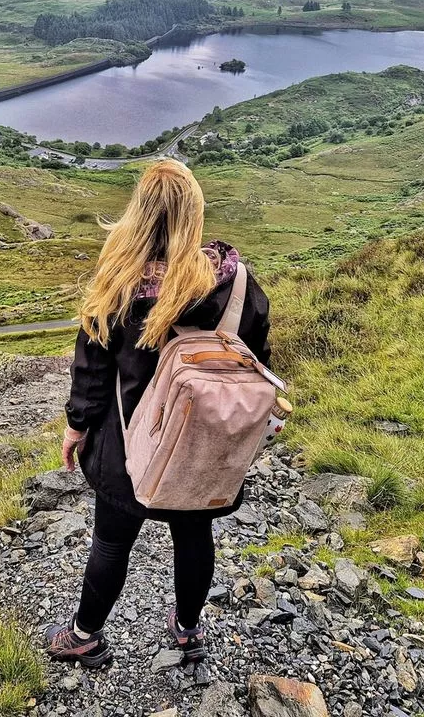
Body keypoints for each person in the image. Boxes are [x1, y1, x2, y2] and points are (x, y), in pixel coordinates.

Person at [47, 159, 272, 668]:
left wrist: (76, 426)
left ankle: (84, 635)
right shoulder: (237, 283)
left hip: (128, 446)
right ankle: (188, 632)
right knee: (194, 535)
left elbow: (93, 371)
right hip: (204, 443)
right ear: (194, 212)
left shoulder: (119, 284)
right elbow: (257, 362)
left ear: (138, 214)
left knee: (111, 540)